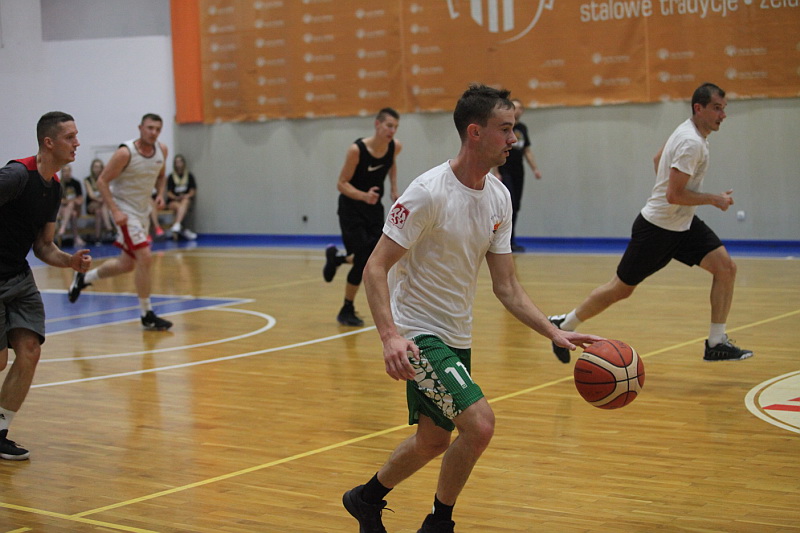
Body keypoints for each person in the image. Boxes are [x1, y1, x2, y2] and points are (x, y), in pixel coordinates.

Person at [342, 85, 601, 533]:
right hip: (418, 336)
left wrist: (553, 331)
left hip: (457, 335)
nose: (513, 138)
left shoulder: (499, 196)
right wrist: (390, 336)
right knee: (480, 425)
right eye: (505, 129)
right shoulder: (427, 192)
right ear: (475, 132)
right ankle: (439, 523)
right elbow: (375, 267)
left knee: (432, 441)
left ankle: (365, 499)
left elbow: (507, 287)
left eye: (514, 129)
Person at [548, 83, 753, 364]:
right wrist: (713, 199)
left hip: (682, 224)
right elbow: (674, 195)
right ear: (699, 108)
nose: (723, 115)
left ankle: (716, 342)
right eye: (717, 108)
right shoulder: (691, 142)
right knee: (620, 289)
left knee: (726, 268)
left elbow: (658, 159)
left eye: (724, 109)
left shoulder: (688, 131)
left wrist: (670, 189)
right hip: (658, 229)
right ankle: (564, 325)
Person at [0, 111, 92, 460]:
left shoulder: (53, 187)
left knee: (30, 350)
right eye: (70, 137)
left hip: (18, 276)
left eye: (77, 135)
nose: (77, 143)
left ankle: (0, 431)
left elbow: (43, 245)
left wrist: (69, 261)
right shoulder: (15, 176)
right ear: (49, 142)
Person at [68, 113, 173, 331]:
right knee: (145, 257)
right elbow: (102, 181)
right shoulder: (126, 152)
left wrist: (160, 194)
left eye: (157, 129)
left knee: (127, 264)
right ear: (140, 128)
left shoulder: (162, 150)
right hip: (125, 211)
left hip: (143, 211)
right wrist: (115, 211)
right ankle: (146, 313)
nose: (153, 132)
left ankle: (84, 278)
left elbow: (162, 175)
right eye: (150, 128)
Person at [323, 107, 402, 327]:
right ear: (377, 124)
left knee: (374, 256)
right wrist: (363, 196)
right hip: (351, 210)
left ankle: (338, 259)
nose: (392, 130)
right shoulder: (356, 150)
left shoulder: (394, 147)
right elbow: (341, 184)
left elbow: (391, 164)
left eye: (395, 127)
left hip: (374, 209)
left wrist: (394, 189)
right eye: (389, 126)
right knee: (362, 260)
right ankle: (346, 308)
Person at [491, 98, 542, 252]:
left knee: (516, 206)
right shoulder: (503, 127)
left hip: (518, 170)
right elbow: (495, 149)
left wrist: (535, 169)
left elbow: (527, 150)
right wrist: (496, 171)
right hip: (504, 169)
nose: (517, 110)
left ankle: (511, 240)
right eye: (515, 107)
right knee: (509, 203)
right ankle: (501, 241)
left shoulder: (522, 128)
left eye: (520, 108)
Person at [166, 154, 197, 240]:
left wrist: (186, 195)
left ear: (184, 163)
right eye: (177, 162)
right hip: (173, 201)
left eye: (180, 161)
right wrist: (176, 198)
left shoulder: (189, 176)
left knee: (185, 202)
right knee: (180, 207)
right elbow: (169, 193)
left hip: (185, 200)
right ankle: (182, 229)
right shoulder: (171, 176)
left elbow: (192, 191)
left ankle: (177, 226)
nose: (179, 164)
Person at [84, 158, 114, 243]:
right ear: (92, 168)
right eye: (95, 167)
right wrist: (100, 199)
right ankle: (109, 228)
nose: (97, 169)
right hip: (92, 203)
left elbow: (108, 191)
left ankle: (98, 237)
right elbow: (91, 195)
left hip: (102, 204)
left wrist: (103, 198)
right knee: (103, 205)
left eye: (99, 167)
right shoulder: (87, 180)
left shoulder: (104, 179)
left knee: (99, 211)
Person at [55, 164, 85, 247]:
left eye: (68, 171)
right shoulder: (59, 183)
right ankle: (76, 237)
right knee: (72, 212)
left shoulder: (76, 183)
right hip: (62, 209)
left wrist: (69, 201)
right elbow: (59, 200)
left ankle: (63, 227)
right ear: (62, 173)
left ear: (71, 172)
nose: (66, 173)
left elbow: (80, 200)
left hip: (74, 208)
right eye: (64, 171)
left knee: (73, 210)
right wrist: (72, 200)